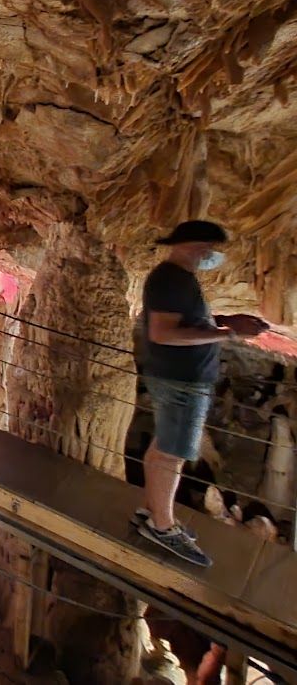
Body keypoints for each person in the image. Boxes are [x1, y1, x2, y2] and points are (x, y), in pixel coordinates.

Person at [134, 220, 268, 567]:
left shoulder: (177, 279)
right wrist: (227, 333)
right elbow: (163, 333)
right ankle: (163, 528)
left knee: (163, 447)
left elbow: (185, 321)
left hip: (178, 378)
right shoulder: (171, 280)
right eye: (209, 246)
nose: (213, 254)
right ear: (193, 245)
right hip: (181, 380)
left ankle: (152, 511)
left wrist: (227, 320)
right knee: (173, 454)